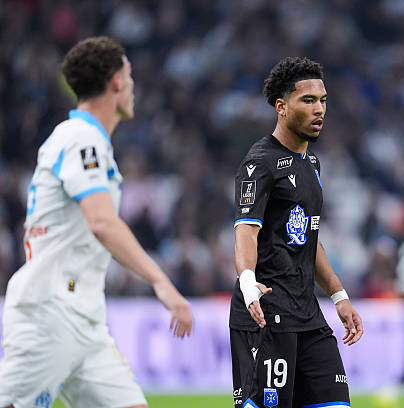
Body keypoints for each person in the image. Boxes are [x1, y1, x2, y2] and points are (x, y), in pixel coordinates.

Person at [0, 36, 193, 408]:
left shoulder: (90, 142)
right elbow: (102, 223)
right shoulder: (80, 140)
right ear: (117, 82)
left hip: (86, 320)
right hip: (50, 311)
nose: (133, 87)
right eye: (130, 77)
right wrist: (161, 282)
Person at [230, 56, 363, 408]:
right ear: (282, 107)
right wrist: (247, 282)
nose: (319, 109)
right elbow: (245, 230)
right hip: (267, 313)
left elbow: (307, 239)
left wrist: (339, 295)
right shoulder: (260, 162)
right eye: (308, 100)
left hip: (308, 315)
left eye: (323, 101)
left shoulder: (312, 163)